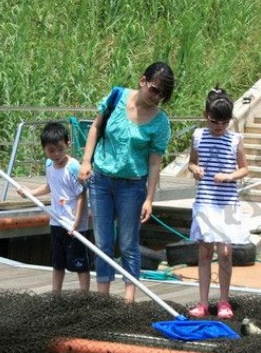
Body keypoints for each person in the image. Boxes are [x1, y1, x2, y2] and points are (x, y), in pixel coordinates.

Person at [78, 62, 175, 302]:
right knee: (102, 242)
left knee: (128, 243)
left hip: (132, 186)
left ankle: (128, 301)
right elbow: (96, 127)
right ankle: (103, 298)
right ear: (143, 81)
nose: (157, 97)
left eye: (162, 94)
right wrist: (86, 161)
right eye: (154, 89)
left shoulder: (160, 122)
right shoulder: (116, 97)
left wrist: (149, 199)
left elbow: (154, 163)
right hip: (100, 180)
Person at [186, 87, 250, 319]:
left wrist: (230, 176)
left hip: (227, 202)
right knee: (204, 252)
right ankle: (203, 302)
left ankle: (224, 300)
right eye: (215, 121)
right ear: (206, 115)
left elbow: (244, 168)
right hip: (205, 200)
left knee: (225, 252)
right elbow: (191, 163)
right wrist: (196, 169)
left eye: (224, 122)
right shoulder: (198, 136)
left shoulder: (235, 139)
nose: (219, 126)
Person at [18, 121, 91, 293]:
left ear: (67, 144)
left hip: (74, 225)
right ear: (44, 149)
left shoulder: (73, 167)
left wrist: (77, 222)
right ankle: (55, 294)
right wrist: (31, 193)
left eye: (60, 149)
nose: (56, 154)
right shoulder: (49, 165)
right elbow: (50, 186)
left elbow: (81, 195)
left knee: (80, 262)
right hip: (57, 222)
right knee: (58, 262)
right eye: (51, 151)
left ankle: (85, 296)